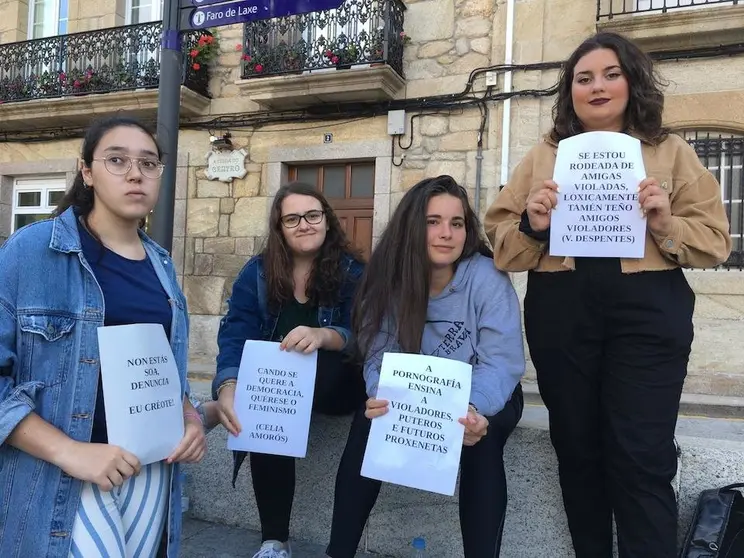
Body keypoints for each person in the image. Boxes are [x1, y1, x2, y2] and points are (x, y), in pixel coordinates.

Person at [484, 32, 731, 558]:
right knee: (576, 450)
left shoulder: (669, 150)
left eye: (610, 74)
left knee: (642, 454)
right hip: (561, 312)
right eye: (583, 77)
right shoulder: (541, 157)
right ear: (570, 91)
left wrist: (666, 224)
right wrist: (532, 222)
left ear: (632, 81)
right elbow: (503, 249)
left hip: (648, 311)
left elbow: (714, 242)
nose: (597, 86)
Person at [0, 115, 206, 557]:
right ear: (87, 172)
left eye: (149, 164)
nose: (136, 173)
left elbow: (164, 371)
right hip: (62, 473)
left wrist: (188, 417)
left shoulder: (162, 266)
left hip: (150, 467)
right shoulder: (31, 252)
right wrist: (70, 452)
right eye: (117, 160)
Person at [326, 175, 525, 558]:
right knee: (367, 423)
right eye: (432, 222)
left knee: (481, 440)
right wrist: (379, 393)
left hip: (483, 391)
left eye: (456, 223)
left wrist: (474, 407)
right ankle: (338, 552)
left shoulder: (487, 278)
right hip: (417, 394)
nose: (446, 233)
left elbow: (500, 362)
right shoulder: (388, 280)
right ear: (412, 227)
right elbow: (379, 352)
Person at [213, 181, 366, 558]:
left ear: (327, 221)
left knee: (276, 396)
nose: (305, 224)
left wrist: (325, 335)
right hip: (282, 385)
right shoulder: (258, 274)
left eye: (313, 216)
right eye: (292, 219)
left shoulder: (353, 272)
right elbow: (236, 333)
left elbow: (369, 335)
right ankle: (274, 541)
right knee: (267, 403)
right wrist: (229, 384)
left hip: (337, 381)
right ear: (279, 228)